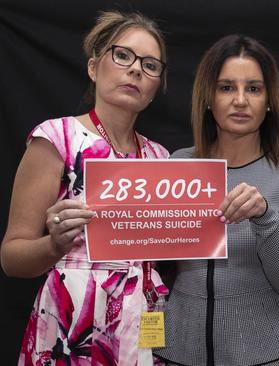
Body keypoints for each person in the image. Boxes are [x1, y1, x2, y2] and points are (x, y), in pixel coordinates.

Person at [0, 10, 170, 365]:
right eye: (123, 55)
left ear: (156, 89)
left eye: (151, 65)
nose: (136, 69)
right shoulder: (56, 138)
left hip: (142, 325)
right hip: (71, 324)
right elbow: (11, 258)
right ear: (94, 68)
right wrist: (53, 243)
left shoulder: (159, 157)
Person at [154, 35, 279, 365]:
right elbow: (152, 259)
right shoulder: (177, 165)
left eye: (254, 89)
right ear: (207, 98)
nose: (240, 100)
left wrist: (265, 218)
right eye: (227, 87)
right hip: (178, 351)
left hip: (277, 354)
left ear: (270, 100)